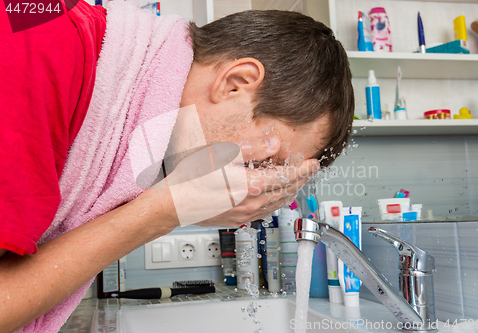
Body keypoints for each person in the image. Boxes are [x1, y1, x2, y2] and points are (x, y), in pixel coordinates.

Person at [0, 0, 354, 331]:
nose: (256, 188)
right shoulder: (39, 45)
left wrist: (173, 207)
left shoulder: (86, 56)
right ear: (235, 84)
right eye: (266, 160)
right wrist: (165, 210)